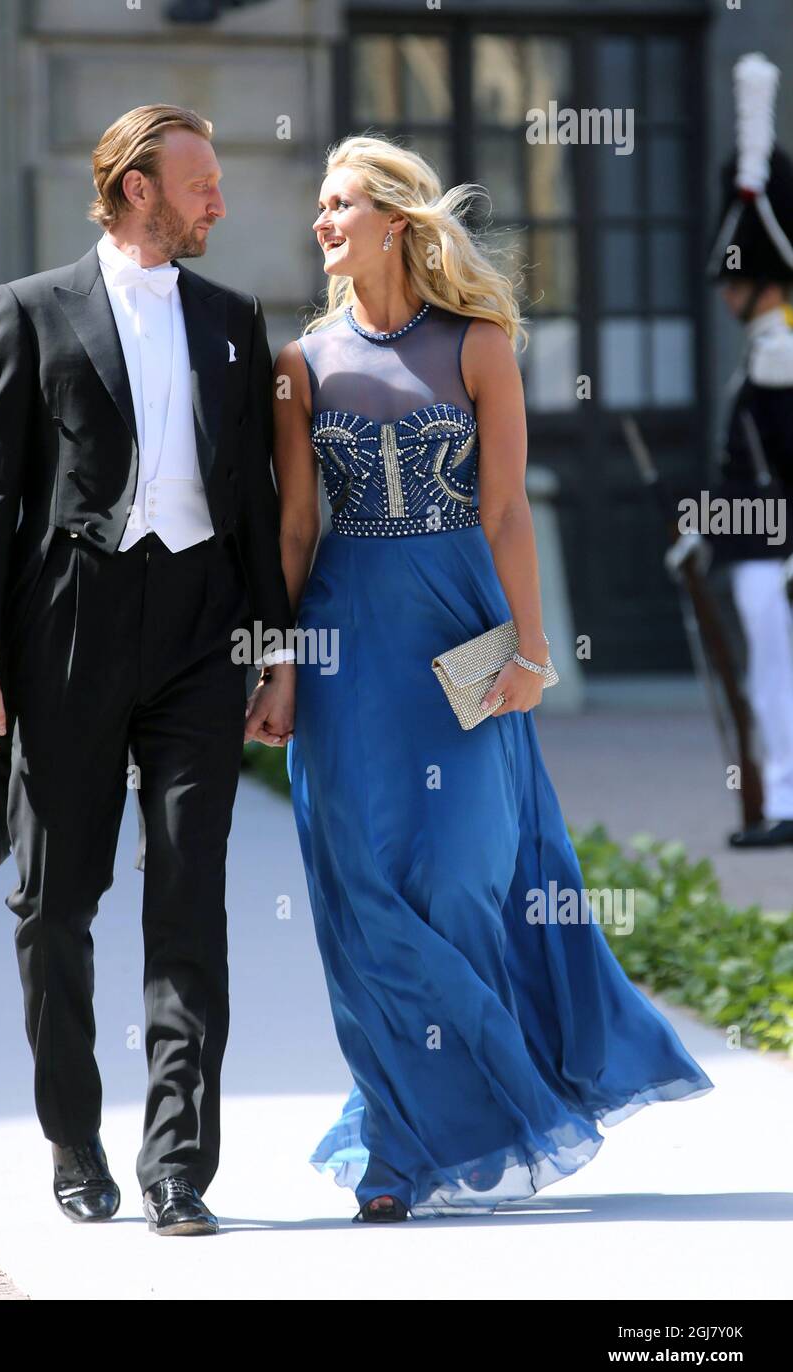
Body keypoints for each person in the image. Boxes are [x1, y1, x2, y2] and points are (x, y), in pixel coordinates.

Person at [271, 135, 714, 1222]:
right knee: (361, 888)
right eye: (318, 206)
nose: (322, 222)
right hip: (347, 639)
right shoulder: (299, 364)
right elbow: (292, 525)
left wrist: (529, 648)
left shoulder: (477, 346)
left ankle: (486, 1097)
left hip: (461, 634)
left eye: (341, 204)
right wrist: (275, 659)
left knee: (467, 870)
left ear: (396, 221)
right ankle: (396, 1145)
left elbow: (506, 510)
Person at [0, 105, 292, 1235]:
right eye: (200, 185)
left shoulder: (233, 321)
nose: (219, 206)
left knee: (188, 896)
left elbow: (255, 504)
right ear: (137, 186)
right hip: (68, 635)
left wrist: (275, 648)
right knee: (55, 903)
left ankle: (178, 1166)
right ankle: (73, 1135)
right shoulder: (30, 312)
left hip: (198, 635)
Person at [704, 52, 793, 849]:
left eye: (737, 278)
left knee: (777, 675)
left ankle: (790, 801)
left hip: (780, 546)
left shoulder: (781, 351)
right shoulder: (768, 345)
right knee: (770, 677)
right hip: (761, 540)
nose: (727, 291)